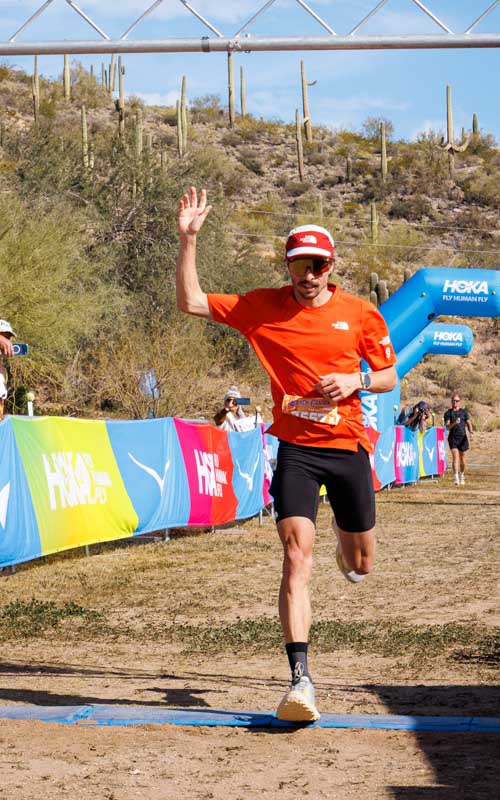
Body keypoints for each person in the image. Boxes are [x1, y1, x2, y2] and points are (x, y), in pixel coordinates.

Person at [175, 187, 397, 723]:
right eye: (299, 265)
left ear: (331, 266)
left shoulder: (360, 314)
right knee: (296, 556)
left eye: (318, 265)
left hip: (347, 446)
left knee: (361, 562)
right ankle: (301, 681)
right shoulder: (262, 308)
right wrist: (188, 241)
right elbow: (191, 302)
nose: (309, 275)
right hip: (295, 449)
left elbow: (389, 377)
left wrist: (357, 380)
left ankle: (349, 551)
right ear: (288, 267)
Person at [443, 393, 474, 485]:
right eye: (453, 401)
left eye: (457, 401)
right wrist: (455, 423)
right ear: (451, 402)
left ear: (459, 402)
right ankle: (456, 478)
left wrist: (471, 432)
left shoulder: (464, 412)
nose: (455, 402)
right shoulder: (448, 413)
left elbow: (468, 423)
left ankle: (462, 475)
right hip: (453, 438)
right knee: (455, 457)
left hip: (462, 438)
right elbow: (448, 427)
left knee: (462, 459)